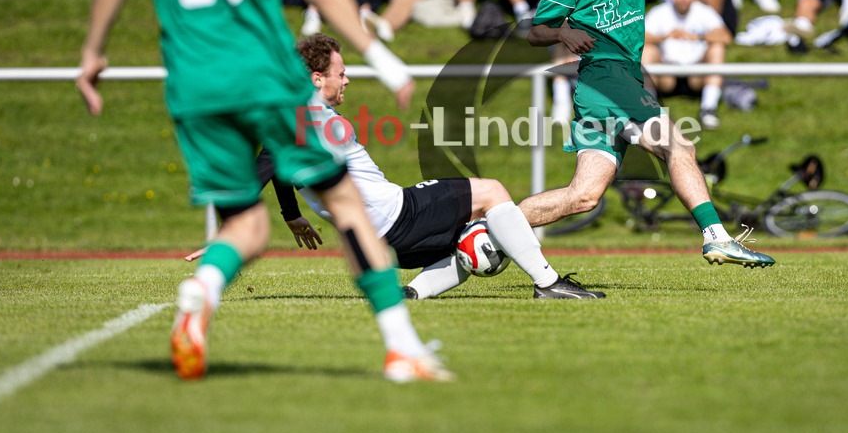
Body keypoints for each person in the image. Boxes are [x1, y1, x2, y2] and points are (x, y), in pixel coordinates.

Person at [75, 0, 450, 383]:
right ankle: (402, 347)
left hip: (195, 88)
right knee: (347, 206)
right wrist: (380, 54)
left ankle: (206, 285)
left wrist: (93, 54)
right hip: (265, 79)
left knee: (245, 227)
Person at [222, 34, 604, 300]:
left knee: (475, 234)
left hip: (382, 241)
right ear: (317, 79)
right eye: (341, 73)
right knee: (492, 191)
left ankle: (413, 293)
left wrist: (290, 215)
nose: (347, 80)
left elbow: (273, 163)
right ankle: (548, 283)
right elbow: (262, 170)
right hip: (400, 216)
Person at [520, 0, 774, 268]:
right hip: (605, 78)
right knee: (679, 148)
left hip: (614, 83)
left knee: (583, 196)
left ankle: (488, 226)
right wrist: (562, 32)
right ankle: (717, 237)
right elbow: (536, 32)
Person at [642, 0, 732, 130]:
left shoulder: (704, 11)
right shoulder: (660, 12)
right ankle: (650, 111)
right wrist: (664, 36)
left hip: (696, 75)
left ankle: (709, 108)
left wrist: (698, 37)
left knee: (717, 48)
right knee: (647, 49)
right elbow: (639, 38)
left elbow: (726, 37)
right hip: (666, 76)